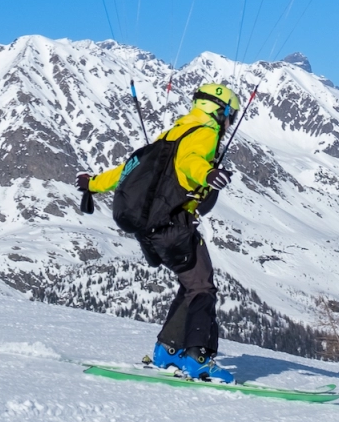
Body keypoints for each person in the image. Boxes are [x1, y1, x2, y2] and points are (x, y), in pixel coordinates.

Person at [77, 83, 239, 382]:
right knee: (202, 288)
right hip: (175, 227)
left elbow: (127, 172)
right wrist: (208, 174)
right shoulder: (205, 133)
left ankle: (167, 349)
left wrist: (93, 183)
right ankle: (197, 358)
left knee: (191, 284)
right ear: (221, 110)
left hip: (150, 230)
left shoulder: (171, 134)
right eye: (231, 115)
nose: (230, 123)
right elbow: (191, 162)